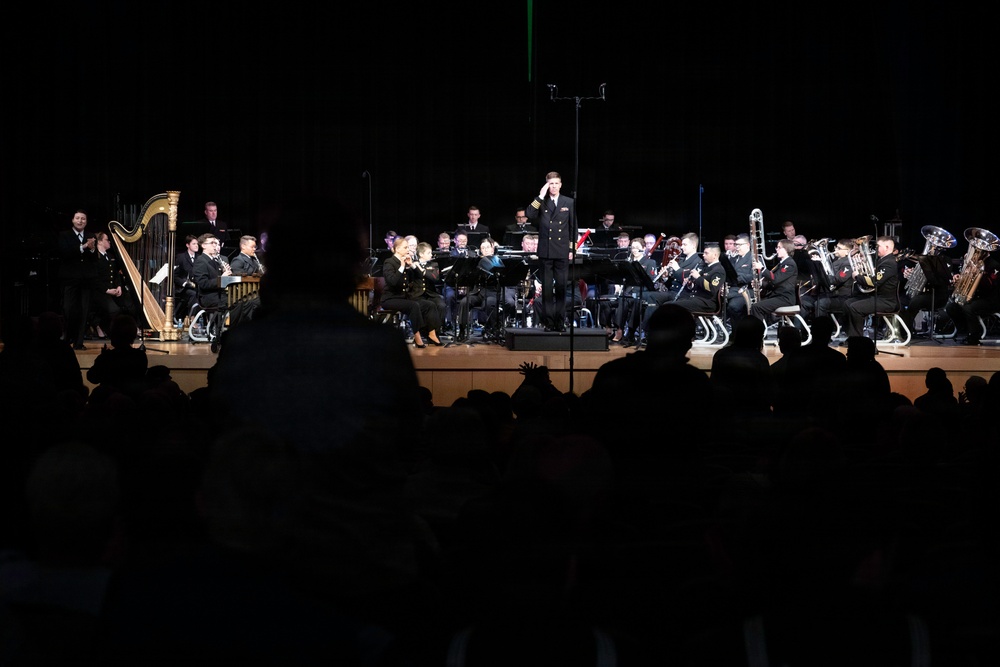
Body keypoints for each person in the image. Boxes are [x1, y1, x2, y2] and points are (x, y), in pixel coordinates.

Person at [525, 171, 575, 332]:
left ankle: (560, 322)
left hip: (562, 251)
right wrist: (540, 196)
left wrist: (571, 248)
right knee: (546, 289)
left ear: (560, 185)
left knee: (561, 288)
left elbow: (572, 226)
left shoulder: (568, 202)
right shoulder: (542, 201)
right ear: (546, 185)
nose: (553, 186)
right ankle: (548, 322)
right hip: (546, 251)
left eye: (556, 183)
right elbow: (529, 214)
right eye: (550, 184)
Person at [381, 236, 443, 348]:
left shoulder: (405, 261)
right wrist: (402, 267)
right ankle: (417, 336)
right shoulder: (389, 262)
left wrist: (411, 266)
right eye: (405, 248)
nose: (408, 250)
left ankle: (432, 333)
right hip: (390, 298)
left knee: (430, 305)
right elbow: (393, 282)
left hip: (403, 297)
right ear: (398, 249)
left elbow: (414, 279)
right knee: (413, 306)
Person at [57, 209, 99, 350]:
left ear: (86, 222)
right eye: (78, 218)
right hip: (70, 278)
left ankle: (79, 342)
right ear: (73, 220)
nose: (80, 221)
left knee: (84, 311)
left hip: (86, 279)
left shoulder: (91, 235)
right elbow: (65, 253)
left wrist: (92, 249)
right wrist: (84, 246)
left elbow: (94, 258)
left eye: (83, 219)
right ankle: (67, 338)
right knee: (68, 309)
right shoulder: (64, 235)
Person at [844, 235, 900, 340]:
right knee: (847, 303)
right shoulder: (882, 261)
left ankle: (856, 340)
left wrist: (857, 276)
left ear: (887, 247)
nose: (876, 248)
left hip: (886, 301)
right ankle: (850, 336)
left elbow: (874, 282)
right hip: (877, 297)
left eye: (878, 246)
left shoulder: (889, 263)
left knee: (855, 307)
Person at [86, 313, 148, 399]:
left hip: (109, 400)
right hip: (133, 400)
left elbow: (93, 377)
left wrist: (102, 358)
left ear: (114, 335)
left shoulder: (107, 358)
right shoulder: (140, 356)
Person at [945, 250, 1000, 346]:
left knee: (968, 307)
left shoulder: (994, 265)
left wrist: (977, 274)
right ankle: (968, 331)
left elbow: (990, 286)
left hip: (990, 300)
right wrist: (959, 278)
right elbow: (965, 277)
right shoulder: (973, 264)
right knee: (951, 307)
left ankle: (974, 337)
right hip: (976, 298)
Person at [89, 231, 135, 340]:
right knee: (114, 310)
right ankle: (104, 327)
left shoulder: (110, 256)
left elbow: (116, 275)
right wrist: (107, 290)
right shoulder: (94, 257)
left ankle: (128, 331)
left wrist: (119, 286)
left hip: (113, 290)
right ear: (100, 242)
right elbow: (94, 279)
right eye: (107, 240)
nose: (109, 242)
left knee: (131, 305)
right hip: (100, 291)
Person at [191, 234, 232, 345]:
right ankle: (227, 335)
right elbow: (203, 284)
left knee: (243, 301)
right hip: (208, 297)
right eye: (212, 243)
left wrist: (227, 273)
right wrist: (221, 278)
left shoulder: (214, 260)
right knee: (238, 303)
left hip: (218, 294)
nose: (215, 246)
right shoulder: (201, 261)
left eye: (215, 243)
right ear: (203, 245)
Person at [750, 238, 798, 324]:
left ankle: (758, 330)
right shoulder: (781, 264)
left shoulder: (790, 264)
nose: (776, 249)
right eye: (777, 247)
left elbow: (775, 279)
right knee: (755, 305)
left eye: (779, 247)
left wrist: (762, 269)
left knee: (756, 307)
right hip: (777, 296)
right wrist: (760, 283)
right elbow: (774, 284)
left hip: (785, 298)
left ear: (786, 249)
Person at [673, 243, 726, 315]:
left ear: (715, 255)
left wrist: (698, 277)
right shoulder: (706, 268)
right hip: (696, 299)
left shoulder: (719, 270)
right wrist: (690, 284)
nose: (703, 255)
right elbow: (698, 285)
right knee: (668, 304)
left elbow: (712, 289)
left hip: (707, 303)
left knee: (672, 307)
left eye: (706, 253)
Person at [815, 239, 856, 325]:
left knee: (820, 303)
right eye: (836, 247)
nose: (835, 249)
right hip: (833, 294)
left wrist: (822, 274)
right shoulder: (836, 260)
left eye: (839, 248)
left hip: (843, 297)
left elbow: (838, 279)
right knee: (810, 299)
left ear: (847, 252)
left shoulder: (848, 263)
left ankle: (822, 328)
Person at [411, 242, 447, 337]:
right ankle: (423, 331)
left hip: (431, 293)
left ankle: (436, 331)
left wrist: (421, 269)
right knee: (426, 306)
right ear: (421, 254)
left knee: (441, 305)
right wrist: (414, 266)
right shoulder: (413, 264)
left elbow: (435, 278)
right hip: (418, 294)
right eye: (428, 253)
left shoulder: (434, 264)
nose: (431, 255)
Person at [726, 234, 756, 327]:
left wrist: (736, 277)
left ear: (747, 245)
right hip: (734, 289)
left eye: (740, 245)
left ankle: (739, 330)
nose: (737, 247)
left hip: (747, 290)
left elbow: (754, 276)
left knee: (733, 306)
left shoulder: (753, 258)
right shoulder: (733, 259)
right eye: (736, 245)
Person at [173, 234, 200, 325]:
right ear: (187, 245)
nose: (196, 246)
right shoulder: (181, 257)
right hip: (183, 288)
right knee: (193, 294)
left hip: (195, 286)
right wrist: (184, 283)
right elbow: (175, 276)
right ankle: (192, 318)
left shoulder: (199, 257)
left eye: (197, 244)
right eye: (194, 244)